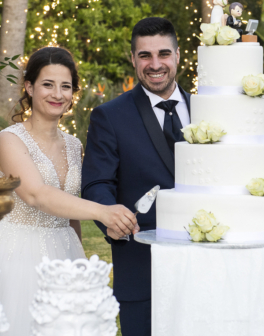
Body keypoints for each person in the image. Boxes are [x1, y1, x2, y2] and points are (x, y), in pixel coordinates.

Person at [0, 46, 138, 334]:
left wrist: (79, 257)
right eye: (48, 84)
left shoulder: (74, 145)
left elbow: (69, 208)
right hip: (19, 254)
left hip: (66, 251)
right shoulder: (8, 140)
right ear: (29, 87)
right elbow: (36, 195)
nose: (57, 94)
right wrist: (104, 212)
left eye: (66, 86)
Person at [82, 18, 191, 336]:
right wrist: (110, 217)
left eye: (163, 54)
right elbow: (97, 183)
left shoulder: (209, 110)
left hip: (208, 268)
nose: (155, 64)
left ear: (178, 55)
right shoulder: (110, 116)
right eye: (145, 55)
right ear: (133, 59)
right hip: (142, 268)